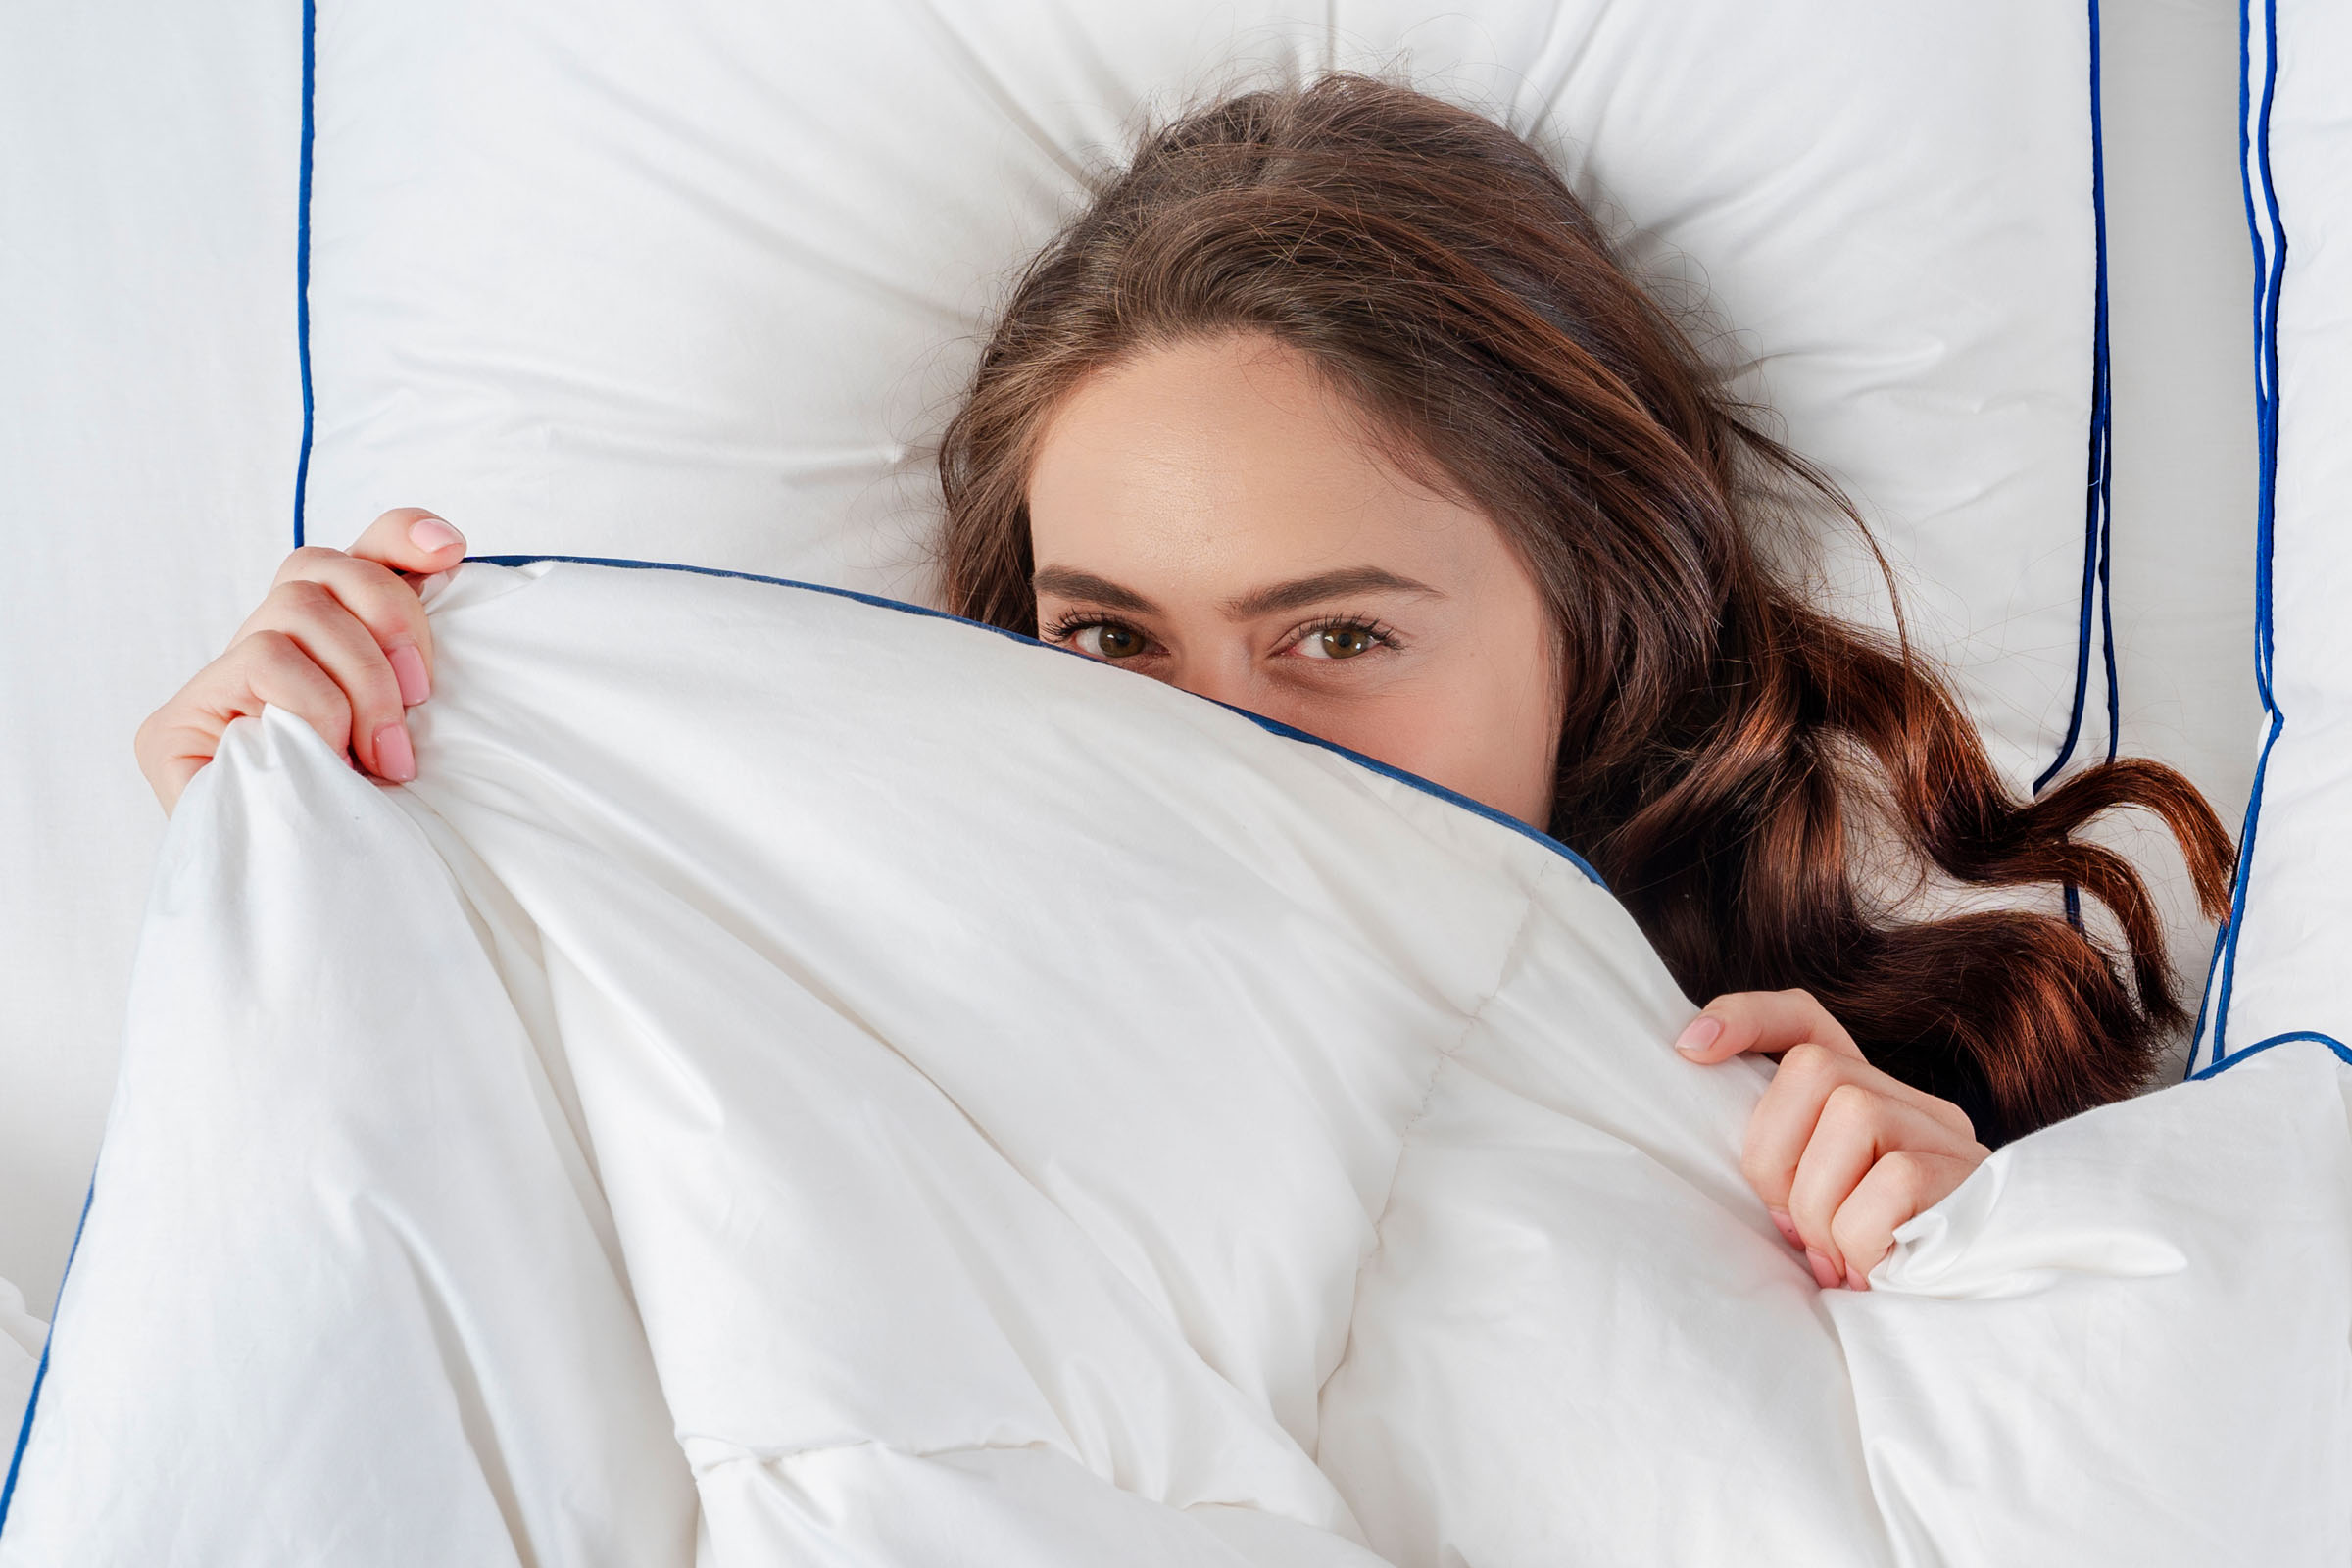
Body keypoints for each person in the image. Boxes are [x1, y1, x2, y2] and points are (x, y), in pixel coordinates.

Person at [133, 74, 2233, 1295]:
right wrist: (289, 875)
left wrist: (1982, 1293)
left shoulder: (1888, 1115)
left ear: (1601, 627)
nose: (1201, 739)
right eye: (1110, 639)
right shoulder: (802, 1010)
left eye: (1335, 635)